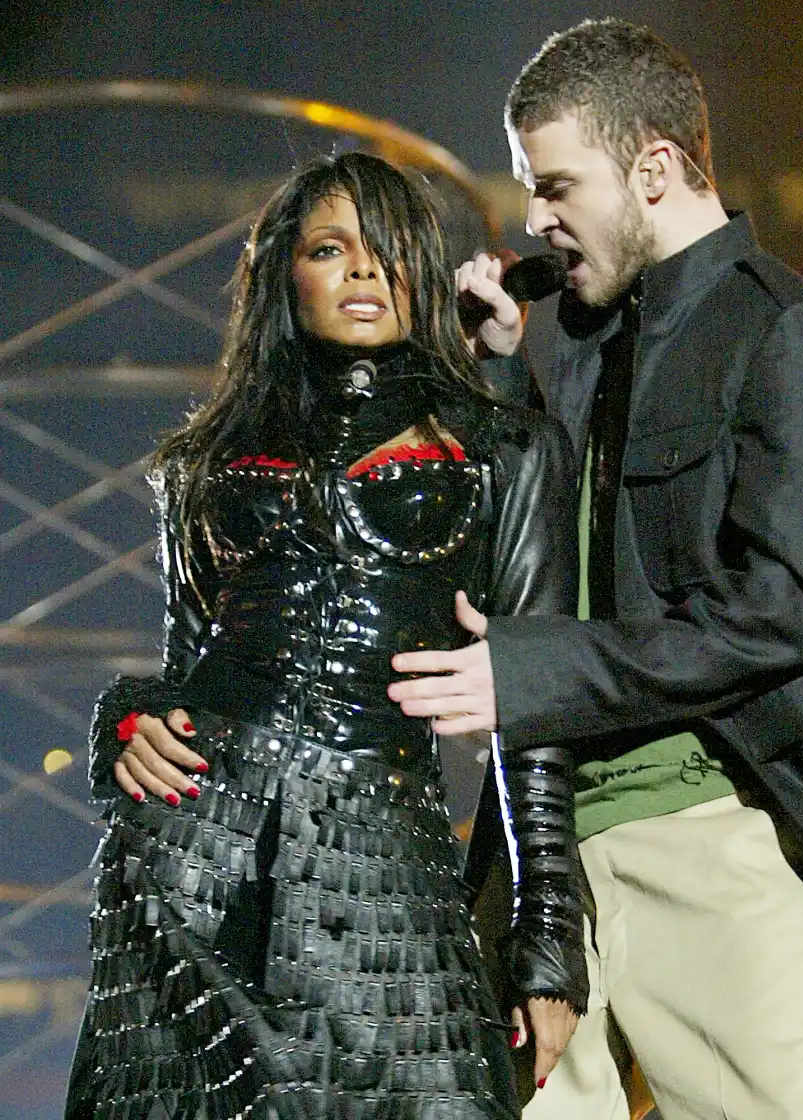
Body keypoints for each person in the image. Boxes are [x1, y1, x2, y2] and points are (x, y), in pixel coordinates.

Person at [387, 18, 803, 1120]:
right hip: (551, 863)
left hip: (717, 841)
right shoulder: (577, 336)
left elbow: (782, 614)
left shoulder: (783, 333)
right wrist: (505, 381)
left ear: (653, 168)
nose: (533, 220)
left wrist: (537, 673)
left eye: (556, 184)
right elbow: (550, 564)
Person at [65, 151, 588, 1120]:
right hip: (195, 868)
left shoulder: (506, 450)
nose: (359, 271)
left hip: (388, 873)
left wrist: (547, 941)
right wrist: (125, 724)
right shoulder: (202, 463)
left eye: (384, 250)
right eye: (328, 248)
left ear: (422, 272)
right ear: (284, 274)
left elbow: (536, 711)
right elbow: (183, 670)